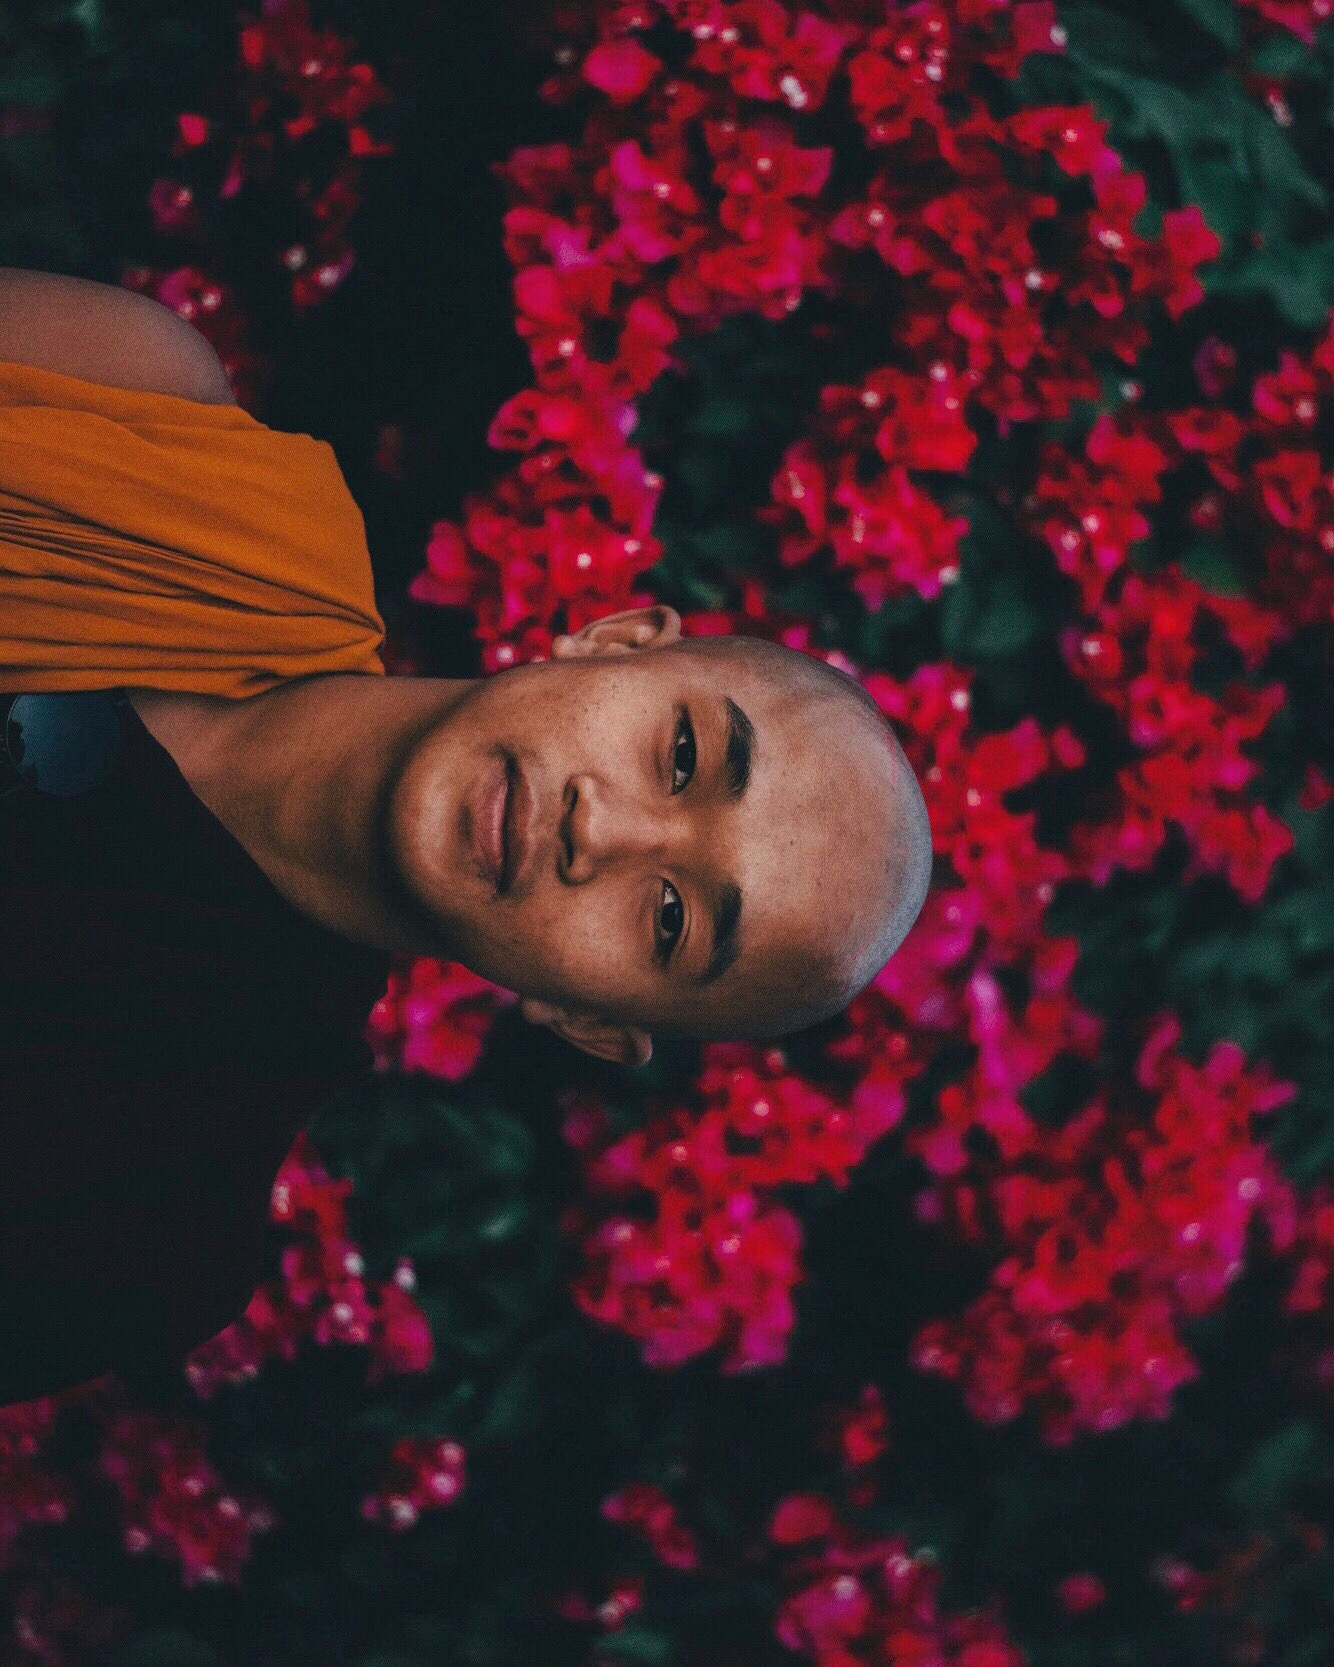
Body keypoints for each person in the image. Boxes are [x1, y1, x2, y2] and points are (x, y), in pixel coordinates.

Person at [0, 266, 932, 1403]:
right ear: (615, 636)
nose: (605, 830)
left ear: (587, 1017)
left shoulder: (141, 1217)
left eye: (671, 916)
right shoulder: (141, 407)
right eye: (682, 755)